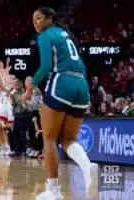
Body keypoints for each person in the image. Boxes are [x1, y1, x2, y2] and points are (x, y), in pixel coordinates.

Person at [23, 7, 98, 200]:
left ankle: (54, 191)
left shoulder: (46, 35)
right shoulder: (65, 35)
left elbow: (47, 66)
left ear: (49, 19)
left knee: (49, 138)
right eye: (33, 20)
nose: (35, 22)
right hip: (82, 86)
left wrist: (30, 86)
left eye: (39, 18)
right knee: (68, 140)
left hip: (62, 83)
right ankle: (88, 168)